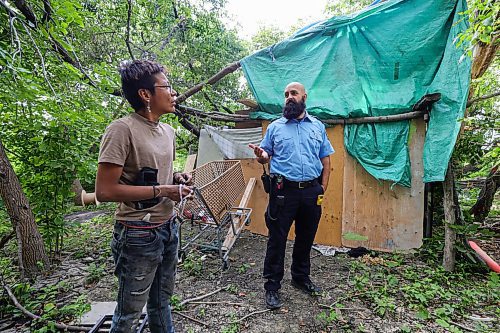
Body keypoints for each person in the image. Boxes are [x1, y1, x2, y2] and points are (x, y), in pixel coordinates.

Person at [95, 59, 193, 333]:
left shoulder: (168, 131)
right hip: (137, 234)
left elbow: (154, 174)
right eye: (167, 86)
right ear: (145, 94)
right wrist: (163, 190)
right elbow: (105, 191)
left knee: (162, 303)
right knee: (129, 313)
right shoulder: (121, 130)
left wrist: (175, 179)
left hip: (168, 228)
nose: (173, 93)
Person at [249, 82, 334, 310]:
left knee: (306, 237)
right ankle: (272, 286)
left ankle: (300, 277)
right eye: (286, 94)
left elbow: (326, 159)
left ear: (304, 97)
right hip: (282, 192)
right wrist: (261, 156)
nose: (289, 97)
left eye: (293, 93)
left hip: (311, 191)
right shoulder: (275, 128)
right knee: (277, 238)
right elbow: (266, 154)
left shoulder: (317, 126)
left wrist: (322, 187)